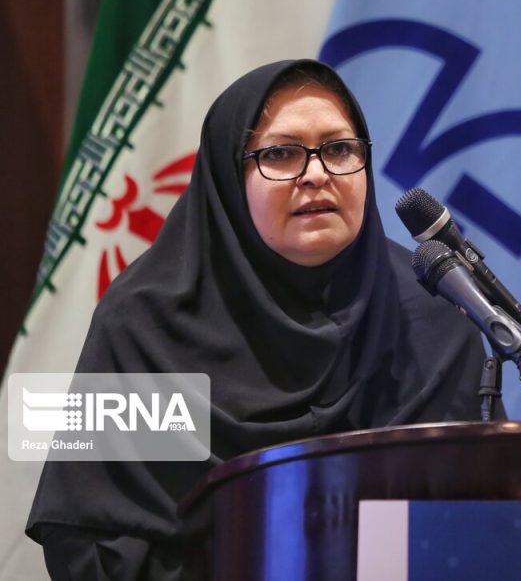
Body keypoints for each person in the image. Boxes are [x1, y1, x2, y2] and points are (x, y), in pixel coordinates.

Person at [26, 59, 490, 579]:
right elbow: (87, 539)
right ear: (229, 176)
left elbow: (470, 525)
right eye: (280, 154)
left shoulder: (432, 315)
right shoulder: (144, 324)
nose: (316, 174)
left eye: (339, 149)